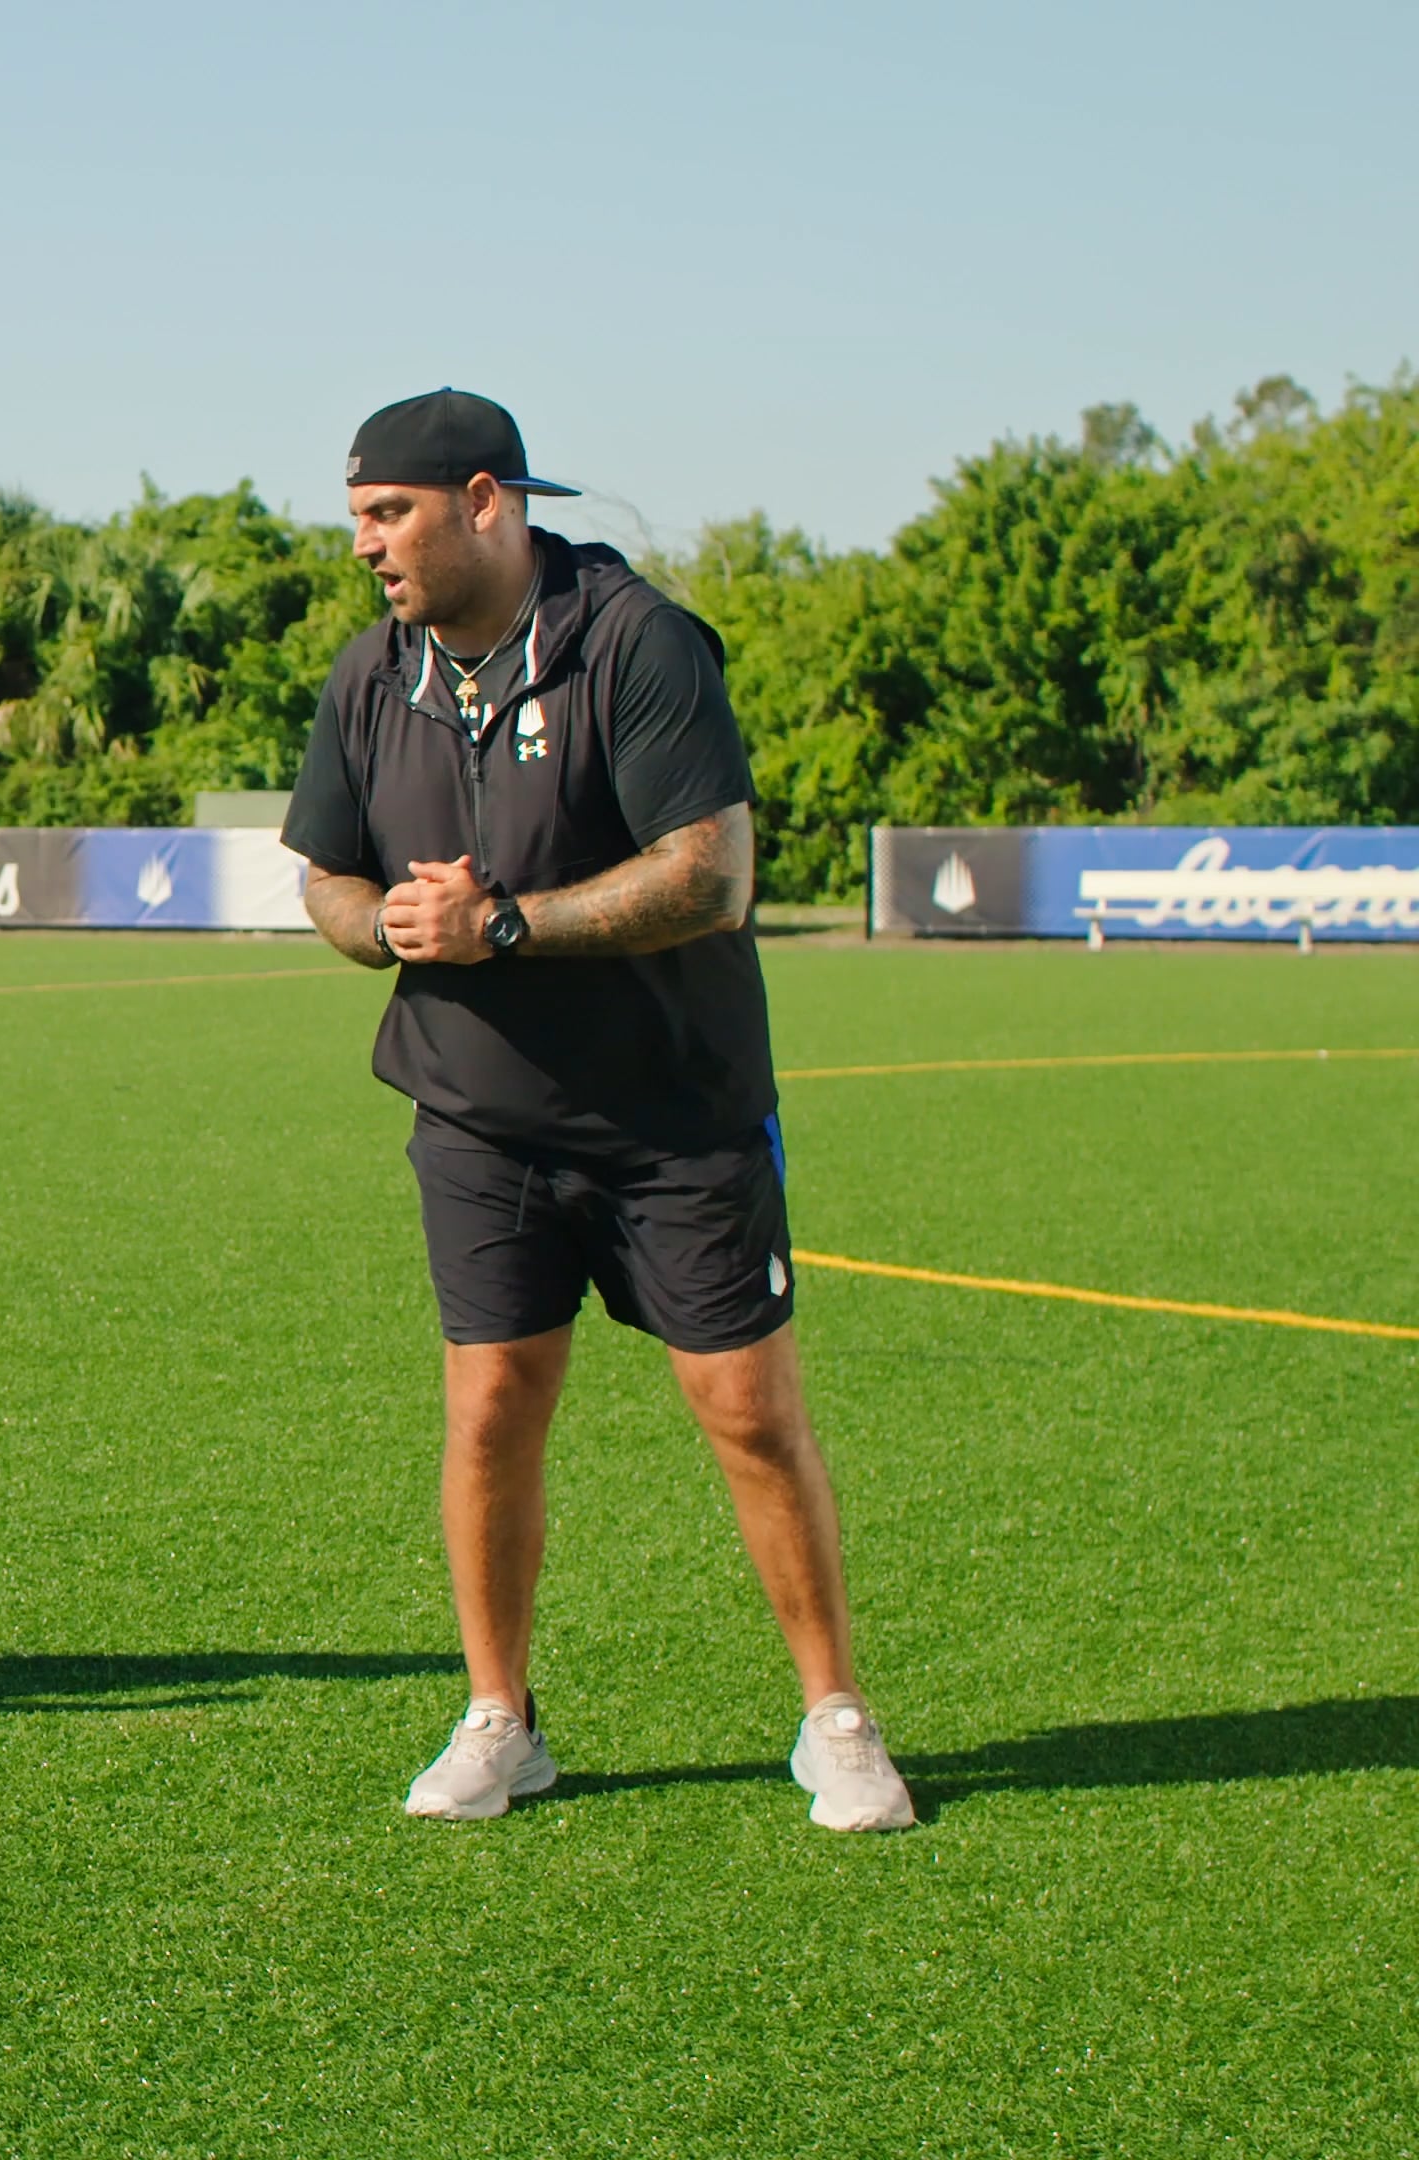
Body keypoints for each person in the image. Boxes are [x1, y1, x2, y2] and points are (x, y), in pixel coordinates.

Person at [283, 389, 912, 1831]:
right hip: (477, 1118)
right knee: (491, 1406)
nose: (368, 545)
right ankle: (500, 1718)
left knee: (747, 1409)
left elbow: (710, 873)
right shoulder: (373, 675)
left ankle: (837, 1719)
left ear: (486, 500)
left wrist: (504, 927)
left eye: (391, 515)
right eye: (359, 519)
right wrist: (384, 924)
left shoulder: (636, 643)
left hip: (673, 1116)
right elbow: (321, 874)